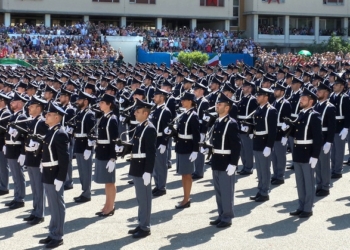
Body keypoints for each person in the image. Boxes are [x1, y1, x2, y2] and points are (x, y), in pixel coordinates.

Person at [117, 98, 156, 239]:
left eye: (138, 112)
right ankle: (141, 223)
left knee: (145, 198)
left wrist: (148, 171)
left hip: (143, 166)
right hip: (136, 164)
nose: (135, 114)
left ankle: (145, 227)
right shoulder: (140, 126)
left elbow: (151, 153)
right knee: (140, 198)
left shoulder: (150, 129)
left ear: (145, 114)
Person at [204, 93, 241, 228]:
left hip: (226, 162)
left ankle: (227, 217)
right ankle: (221, 214)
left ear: (227, 108)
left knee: (226, 192)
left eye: (220, 104)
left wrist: (233, 164)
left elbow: (236, 146)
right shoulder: (217, 121)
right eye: (217, 104)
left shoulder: (231, 123)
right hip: (216, 160)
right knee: (219, 192)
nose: (217, 106)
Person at [38, 102, 69, 248]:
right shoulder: (51, 130)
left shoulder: (60, 133)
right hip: (47, 172)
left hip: (54, 174)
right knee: (52, 205)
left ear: (57, 117)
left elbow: (64, 159)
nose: (46, 116)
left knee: (57, 205)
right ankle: (52, 232)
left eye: (49, 114)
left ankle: (58, 236)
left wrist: (61, 178)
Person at [288, 88, 322, 218]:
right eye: (300, 98)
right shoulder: (301, 113)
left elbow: (318, 138)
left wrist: (315, 156)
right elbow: (297, 132)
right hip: (298, 152)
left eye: (303, 99)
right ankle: (301, 206)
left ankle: (308, 208)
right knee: (300, 182)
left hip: (308, 153)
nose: (300, 100)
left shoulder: (314, 115)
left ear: (311, 101)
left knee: (308, 182)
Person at [165, 92, 200, 209]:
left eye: (184, 100)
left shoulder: (193, 115)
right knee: (183, 174)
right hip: (181, 146)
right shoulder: (184, 114)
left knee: (187, 175)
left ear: (190, 101)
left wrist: (195, 150)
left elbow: (196, 135)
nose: (182, 102)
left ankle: (186, 199)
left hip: (188, 147)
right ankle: (185, 198)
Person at [23, 95, 48, 225]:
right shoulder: (33, 121)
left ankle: (40, 213)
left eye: (32, 106)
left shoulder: (42, 122)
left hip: (37, 159)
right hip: (30, 157)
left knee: (39, 187)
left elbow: (45, 141)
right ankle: (35, 211)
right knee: (34, 187)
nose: (29, 108)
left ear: (39, 108)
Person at [250, 87, 277, 202]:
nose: (257, 97)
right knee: (260, 169)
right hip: (257, 141)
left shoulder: (271, 110)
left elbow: (272, 131)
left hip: (264, 142)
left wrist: (269, 146)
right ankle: (260, 190)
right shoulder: (258, 109)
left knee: (265, 169)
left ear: (266, 97)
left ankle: (265, 192)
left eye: (260, 95)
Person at [94, 94, 119, 216]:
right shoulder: (104, 117)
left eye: (103, 103)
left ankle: (111, 206)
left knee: (110, 181)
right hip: (101, 152)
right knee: (106, 181)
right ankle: (107, 205)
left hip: (107, 154)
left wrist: (113, 158)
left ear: (109, 104)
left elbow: (114, 140)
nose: (100, 104)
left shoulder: (112, 119)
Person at [4, 92, 28, 210]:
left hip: (16, 149)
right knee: (14, 176)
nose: (11, 103)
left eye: (13, 102)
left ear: (19, 103)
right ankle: (16, 196)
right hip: (10, 148)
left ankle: (20, 199)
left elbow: (25, 136)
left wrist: (23, 153)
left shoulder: (22, 117)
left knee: (18, 175)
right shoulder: (14, 116)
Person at [70, 91, 96, 203]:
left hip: (85, 146)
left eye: (80, 100)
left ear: (86, 101)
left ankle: (87, 193)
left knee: (86, 171)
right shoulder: (80, 113)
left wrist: (89, 149)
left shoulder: (89, 114)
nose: (78, 102)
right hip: (79, 145)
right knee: (81, 171)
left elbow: (92, 133)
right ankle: (84, 191)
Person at [314, 82, 336, 196]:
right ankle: (319, 184)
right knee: (317, 164)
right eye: (317, 91)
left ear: (326, 93)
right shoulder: (316, 106)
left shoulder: (330, 107)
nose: (317, 93)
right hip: (316, 140)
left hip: (324, 139)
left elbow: (332, 127)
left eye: (320, 91)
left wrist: (329, 141)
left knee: (324, 165)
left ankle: (325, 186)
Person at [149, 88, 172, 197]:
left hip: (160, 141)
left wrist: (164, 143)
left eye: (156, 96)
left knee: (161, 165)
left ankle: (162, 187)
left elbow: (167, 129)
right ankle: (157, 184)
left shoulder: (166, 111)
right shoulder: (156, 109)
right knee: (154, 165)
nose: (154, 98)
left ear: (162, 98)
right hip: (154, 140)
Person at [329, 77, 350, 179]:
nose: (334, 86)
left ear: (342, 87)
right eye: (334, 84)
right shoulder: (332, 96)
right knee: (332, 151)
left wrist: (346, 128)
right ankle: (333, 169)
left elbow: (347, 114)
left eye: (336, 85)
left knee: (339, 150)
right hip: (332, 127)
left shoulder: (345, 97)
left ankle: (338, 170)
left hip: (340, 127)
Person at [271, 83, 292, 185]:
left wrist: (285, 135)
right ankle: (275, 174)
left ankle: (280, 176)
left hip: (281, 133)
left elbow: (288, 120)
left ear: (282, 92)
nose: (275, 92)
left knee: (280, 156)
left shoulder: (286, 103)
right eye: (275, 90)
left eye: (277, 90)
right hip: (274, 132)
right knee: (274, 156)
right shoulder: (274, 102)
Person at [0, 93, 11, 196]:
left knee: (3, 166)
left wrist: (4, 144)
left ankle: (4, 187)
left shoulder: (6, 113)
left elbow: (5, 131)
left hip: (2, 143)